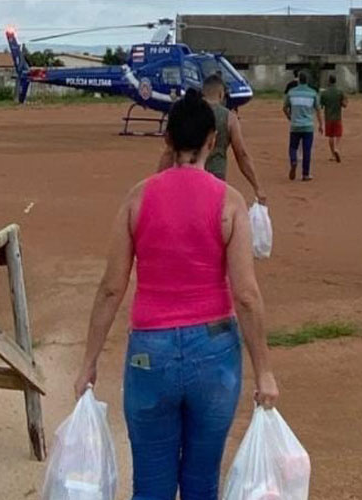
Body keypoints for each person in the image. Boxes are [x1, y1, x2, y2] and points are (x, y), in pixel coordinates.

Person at [74, 89, 279, 500]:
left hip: (151, 352)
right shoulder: (230, 203)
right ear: (211, 142)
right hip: (215, 353)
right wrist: (265, 371)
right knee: (202, 480)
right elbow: (246, 295)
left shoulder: (137, 198)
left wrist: (89, 362)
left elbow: (112, 287)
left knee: (151, 483)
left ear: (167, 140)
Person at [158, 75, 267, 204]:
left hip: (185, 175)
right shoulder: (229, 117)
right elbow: (241, 154)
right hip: (215, 178)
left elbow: (169, 151)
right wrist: (257, 187)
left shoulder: (188, 113)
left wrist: (158, 182)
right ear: (221, 94)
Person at [283, 71, 323, 181]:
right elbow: (318, 110)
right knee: (307, 150)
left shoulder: (291, 92)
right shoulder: (313, 93)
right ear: (307, 81)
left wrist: (290, 117)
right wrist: (321, 124)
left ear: (299, 80)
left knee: (293, 147)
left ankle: (293, 161)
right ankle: (305, 174)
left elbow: (284, 108)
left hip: (295, 125)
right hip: (308, 126)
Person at [320, 74, 348, 163]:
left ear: (329, 81)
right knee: (338, 134)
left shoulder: (324, 93)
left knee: (330, 136)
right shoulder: (340, 92)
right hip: (337, 117)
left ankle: (332, 154)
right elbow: (344, 105)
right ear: (335, 81)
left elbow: (321, 105)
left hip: (328, 117)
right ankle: (336, 147)